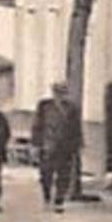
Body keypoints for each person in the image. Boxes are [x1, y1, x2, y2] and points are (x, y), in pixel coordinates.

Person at [32, 82, 82, 212]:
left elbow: (76, 127)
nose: (60, 95)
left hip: (66, 146)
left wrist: (78, 144)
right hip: (48, 145)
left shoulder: (71, 108)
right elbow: (37, 125)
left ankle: (59, 200)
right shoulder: (44, 106)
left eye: (62, 92)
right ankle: (47, 197)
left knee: (64, 174)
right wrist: (36, 144)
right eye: (57, 92)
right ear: (53, 93)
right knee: (46, 174)